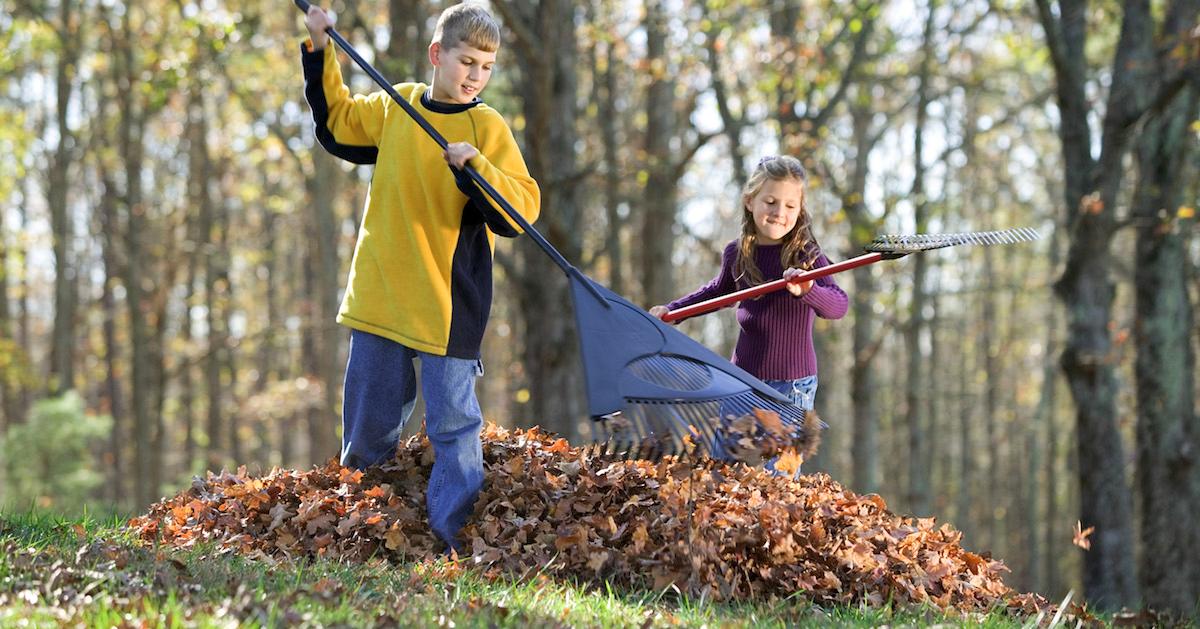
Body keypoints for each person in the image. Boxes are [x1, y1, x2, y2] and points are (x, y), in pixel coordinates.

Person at [300, 2, 540, 551]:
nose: (475, 75)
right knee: (368, 428)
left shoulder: (486, 125)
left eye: (486, 66)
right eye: (465, 61)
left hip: (447, 307)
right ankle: (361, 535)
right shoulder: (399, 106)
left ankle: (452, 539)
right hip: (382, 296)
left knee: (454, 429)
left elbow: (522, 210)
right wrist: (320, 46)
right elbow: (336, 124)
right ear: (438, 55)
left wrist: (476, 167)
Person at [649, 155, 847, 471]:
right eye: (770, 201)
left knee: (773, 475)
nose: (779, 213)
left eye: (789, 206)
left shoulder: (806, 255)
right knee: (725, 464)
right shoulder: (737, 253)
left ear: (800, 210)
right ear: (750, 201)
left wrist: (808, 289)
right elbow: (717, 292)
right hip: (741, 378)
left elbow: (838, 305)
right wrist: (674, 311)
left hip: (790, 384)